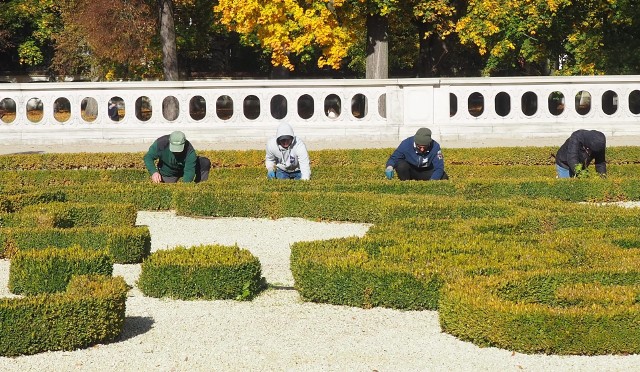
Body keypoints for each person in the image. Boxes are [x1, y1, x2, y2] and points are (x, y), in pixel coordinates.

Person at [143, 131, 211, 183]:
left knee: (204, 162)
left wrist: (185, 188)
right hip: (168, 172)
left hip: (185, 168)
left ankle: (200, 184)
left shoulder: (190, 151)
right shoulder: (161, 143)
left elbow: (189, 171)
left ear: (184, 144)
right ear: (169, 141)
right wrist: (154, 172)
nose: (176, 152)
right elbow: (148, 157)